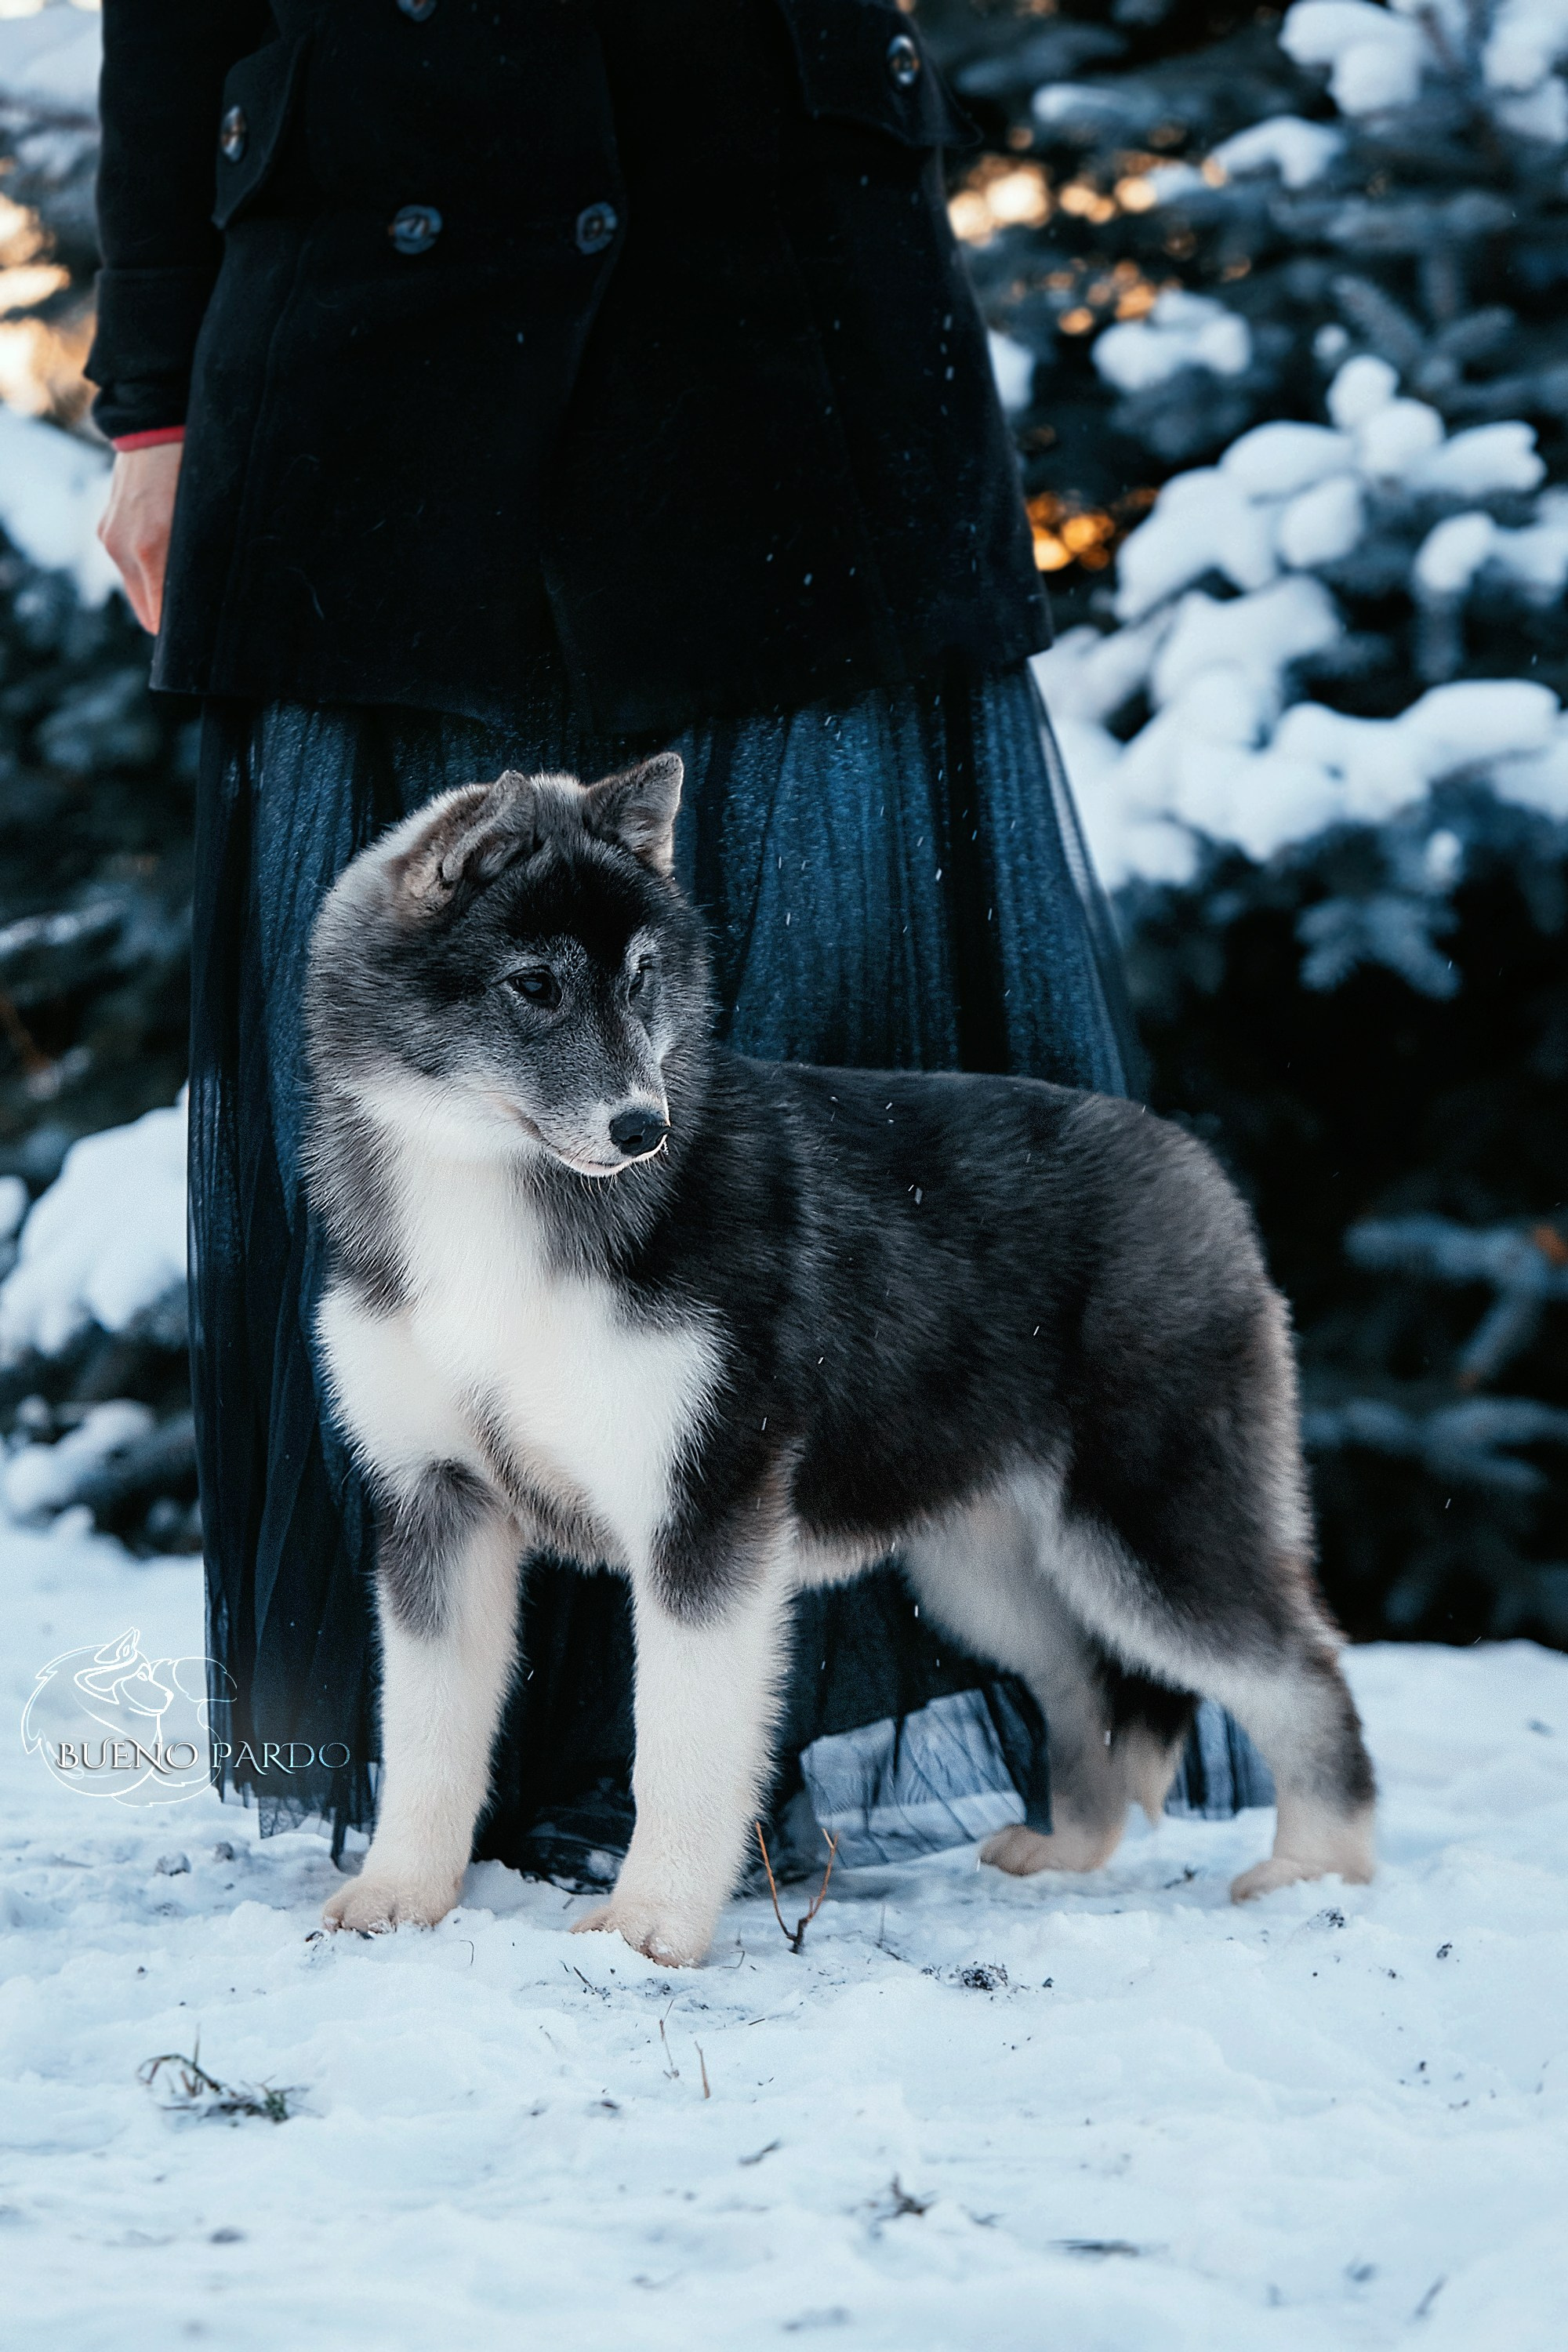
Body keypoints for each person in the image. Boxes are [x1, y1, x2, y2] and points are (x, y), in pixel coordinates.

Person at [91, 0, 1161, 1882]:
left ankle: (751, 1747)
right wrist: (156, 394)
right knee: (450, 1065)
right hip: (373, 277)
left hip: (770, 269)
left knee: (812, 1031)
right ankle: (509, 1762)